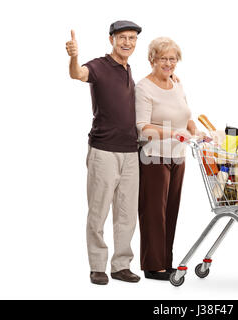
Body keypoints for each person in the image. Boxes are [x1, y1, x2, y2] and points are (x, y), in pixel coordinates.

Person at [65, 20, 143, 285]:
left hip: (131, 152)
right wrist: (74, 57)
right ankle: (97, 265)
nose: (127, 43)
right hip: (103, 151)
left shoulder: (128, 70)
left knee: (127, 213)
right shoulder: (99, 65)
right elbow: (77, 74)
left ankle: (121, 265)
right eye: (122, 37)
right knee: (98, 211)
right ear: (111, 39)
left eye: (132, 38)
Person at [135, 37, 206, 280]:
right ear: (152, 59)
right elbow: (142, 127)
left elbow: (185, 115)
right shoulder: (144, 88)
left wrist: (194, 130)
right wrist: (173, 133)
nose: (168, 63)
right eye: (163, 58)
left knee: (171, 210)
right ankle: (153, 266)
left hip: (178, 155)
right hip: (154, 156)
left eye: (172, 59)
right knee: (154, 211)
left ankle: (166, 262)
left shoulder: (177, 84)